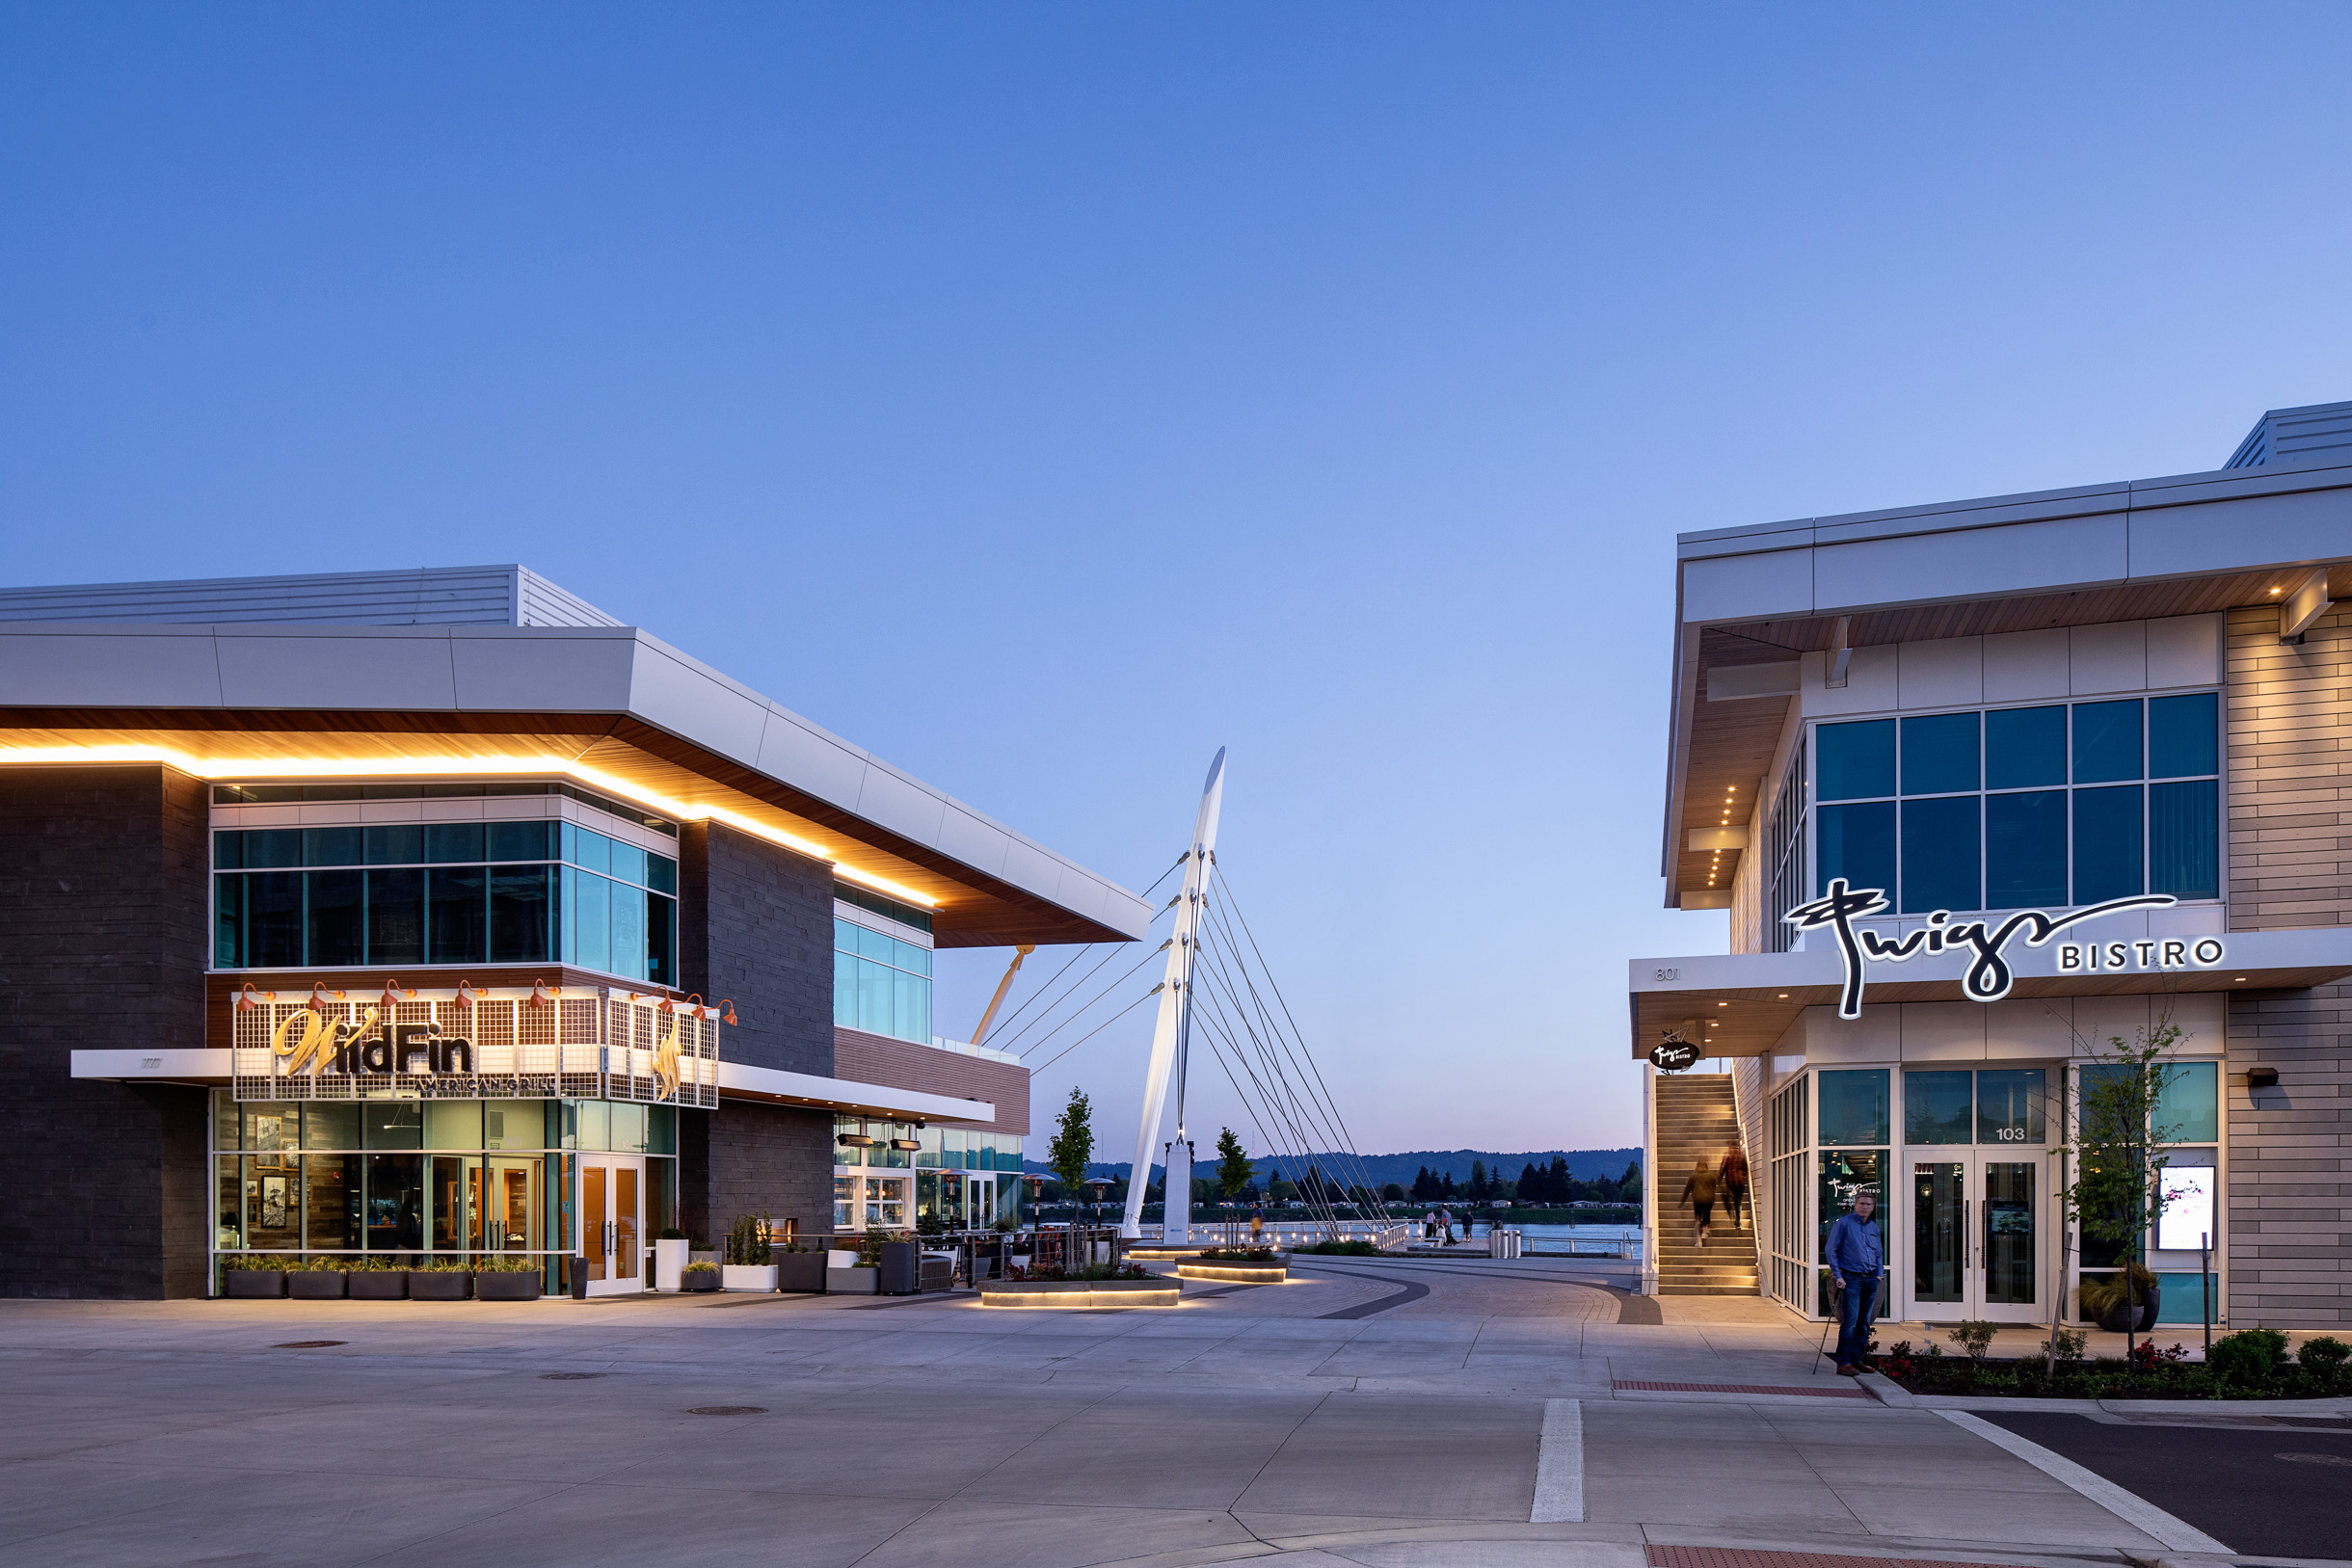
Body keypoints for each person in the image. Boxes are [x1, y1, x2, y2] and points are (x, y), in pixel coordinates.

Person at [1825, 1190, 1884, 1376]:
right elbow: (1830, 1249)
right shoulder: (1843, 1224)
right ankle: (1843, 1362)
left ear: (1873, 1207)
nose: (1865, 1207)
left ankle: (1857, 1360)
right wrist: (1838, 1276)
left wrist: (1879, 1274)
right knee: (1850, 1320)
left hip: (1870, 1279)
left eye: (1869, 1204)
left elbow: (1879, 1253)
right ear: (1855, 1204)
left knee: (1864, 1322)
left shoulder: (1873, 1227)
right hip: (1851, 1278)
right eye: (1862, 1203)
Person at [1679, 1156, 1718, 1248]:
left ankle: (1699, 1241)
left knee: (1697, 1219)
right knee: (1707, 1216)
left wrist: (1682, 1201)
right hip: (1709, 1199)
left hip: (1698, 1200)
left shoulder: (1693, 1176)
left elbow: (1687, 1190)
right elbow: (1714, 1188)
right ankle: (1704, 1232)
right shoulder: (1711, 1176)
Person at [1719, 1143, 1750, 1231]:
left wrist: (1718, 1180)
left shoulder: (1727, 1157)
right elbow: (1746, 1169)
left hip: (1730, 1182)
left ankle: (1731, 1210)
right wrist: (1742, 1176)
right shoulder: (1742, 1156)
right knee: (1738, 1202)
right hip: (1740, 1183)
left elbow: (1722, 1169)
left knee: (1729, 1197)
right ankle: (1738, 1222)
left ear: (1730, 1147)